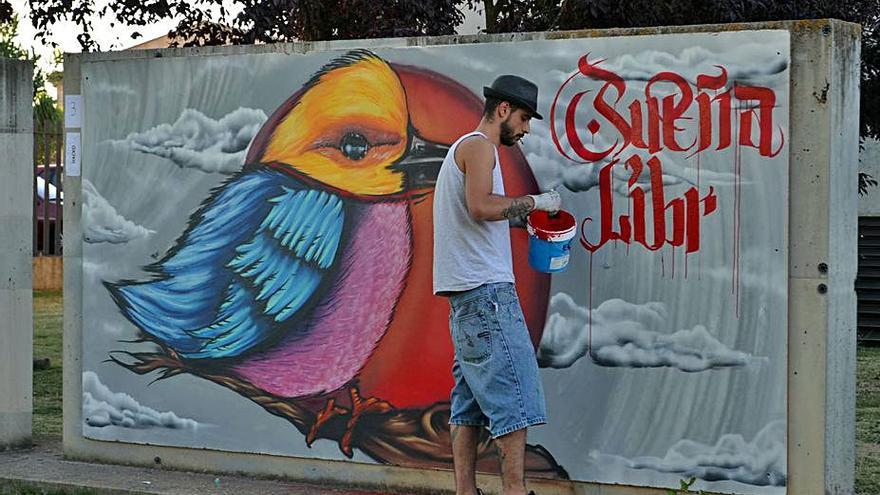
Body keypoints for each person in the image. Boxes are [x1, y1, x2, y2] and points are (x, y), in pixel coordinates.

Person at [432, 74, 561, 495]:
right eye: (524, 118)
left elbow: (481, 215)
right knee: (516, 403)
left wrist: (527, 219)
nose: (525, 130)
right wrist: (536, 202)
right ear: (502, 109)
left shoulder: (464, 151)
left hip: (468, 301)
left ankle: (466, 491)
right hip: (487, 297)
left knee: (467, 406)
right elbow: (481, 206)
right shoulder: (479, 146)